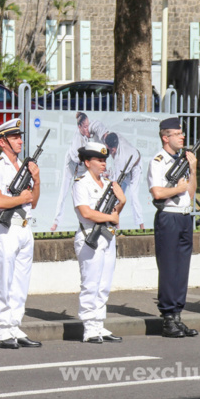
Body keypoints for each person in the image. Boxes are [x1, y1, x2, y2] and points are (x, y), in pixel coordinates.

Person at [0, 118, 42, 349]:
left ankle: (15, 325)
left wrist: (36, 179)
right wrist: (20, 198)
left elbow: (34, 202)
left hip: (24, 228)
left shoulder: (24, 166)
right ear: (2, 142)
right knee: (5, 281)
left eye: (20, 137)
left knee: (20, 282)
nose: (20, 141)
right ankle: (2, 329)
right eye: (15, 137)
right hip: (6, 229)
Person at [147, 118, 199, 338]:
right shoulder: (158, 161)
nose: (182, 136)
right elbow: (157, 193)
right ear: (165, 137)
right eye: (177, 134)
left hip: (185, 218)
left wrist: (193, 170)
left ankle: (177, 314)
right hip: (169, 217)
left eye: (182, 133)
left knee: (182, 268)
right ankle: (168, 318)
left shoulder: (182, 161)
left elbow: (190, 193)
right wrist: (178, 188)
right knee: (169, 268)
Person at [72, 141, 125, 343]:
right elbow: (86, 212)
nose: (103, 163)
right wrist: (111, 217)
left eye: (104, 160)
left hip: (107, 236)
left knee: (104, 284)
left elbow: (113, 214)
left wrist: (122, 202)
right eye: (98, 160)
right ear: (87, 162)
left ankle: (99, 324)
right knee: (90, 283)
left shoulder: (107, 184)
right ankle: (89, 327)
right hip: (89, 236)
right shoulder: (81, 183)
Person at [51, 112, 108, 231]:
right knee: (64, 191)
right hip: (72, 164)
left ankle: (92, 218)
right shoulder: (77, 137)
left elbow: (98, 128)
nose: (88, 128)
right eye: (85, 127)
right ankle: (56, 221)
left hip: (84, 164)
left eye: (88, 125)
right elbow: (76, 158)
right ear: (80, 127)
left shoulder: (92, 128)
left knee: (88, 189)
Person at [105, 132, 144, 229]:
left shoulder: (120, 159)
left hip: (135, 168)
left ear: (113, 149)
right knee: (116, 197)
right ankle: (116, 225)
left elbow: (116, 182)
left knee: (133, 195)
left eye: (109, 150)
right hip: (127, 166)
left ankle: (141, 226)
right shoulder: (116, 137)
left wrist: (107, 177)